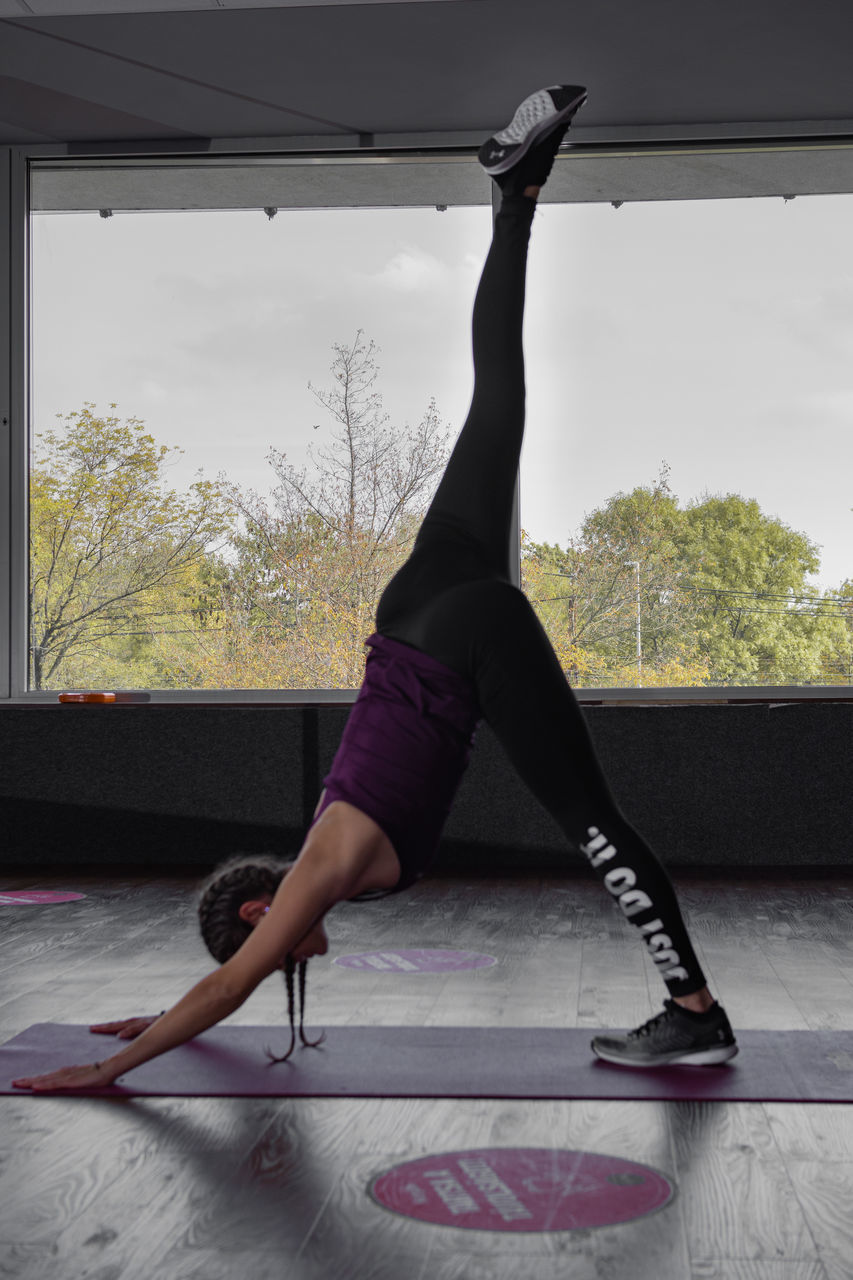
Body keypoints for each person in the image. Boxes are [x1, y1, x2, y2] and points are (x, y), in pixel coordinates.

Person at [13, 84, 737, 1094]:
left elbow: (230, 988)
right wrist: (163, 1011)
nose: (267, 967)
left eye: (259, 948)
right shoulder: (318, 852)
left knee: (596, 821)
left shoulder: (324, 869)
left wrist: (118, 1064)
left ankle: (693, 1011)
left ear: (265, 915)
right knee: (499, 396)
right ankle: (514, 193)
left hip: (461, 639)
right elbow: (235, 976)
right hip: (416, 604)